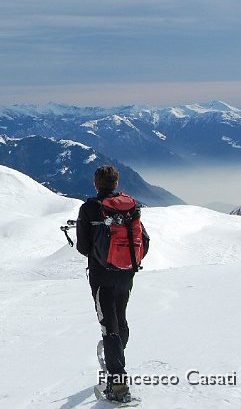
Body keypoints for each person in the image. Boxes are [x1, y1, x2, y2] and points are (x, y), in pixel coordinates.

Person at [75, 164, 148, 404]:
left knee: (109, 326)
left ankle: (118, 385)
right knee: (120, 318)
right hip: (126, 274)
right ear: (116, 184)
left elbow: (83, 247)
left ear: (96, 184)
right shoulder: (131, 207)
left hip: (101, 275)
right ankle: (116, 359)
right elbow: (144, 241)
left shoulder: (89, 209)